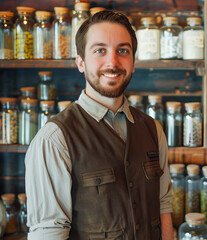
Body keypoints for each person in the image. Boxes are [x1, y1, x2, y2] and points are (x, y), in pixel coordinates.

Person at [25, 10, 173, 240]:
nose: (112, 62)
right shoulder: (54, 139)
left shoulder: (153, 129)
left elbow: (163, 206)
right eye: (99, 50)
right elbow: (49, 232)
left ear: (133, 62)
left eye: (122, 51)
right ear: (81, 62)